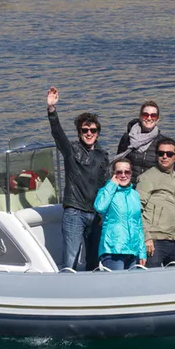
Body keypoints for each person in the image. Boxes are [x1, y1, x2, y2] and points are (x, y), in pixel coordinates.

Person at [47, 87, 109, 271]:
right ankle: (66, 285)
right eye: (85, 130)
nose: (89, 133)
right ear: (79, 132)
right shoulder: (71, 150)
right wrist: (52, 109)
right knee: (71, 259)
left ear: (98, 133)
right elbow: (58, 134)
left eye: (93, 130)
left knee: (94, 260)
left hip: (96, 214)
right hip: (75, 212)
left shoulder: (103, 155)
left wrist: (104, 213)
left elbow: (106, 185)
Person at [136, 137, 175, 267]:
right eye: (161, 153)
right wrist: (146, 237)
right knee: (151, 278)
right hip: (154, 241)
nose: (164, 156)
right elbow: (136, 210)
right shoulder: (147, 178)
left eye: (169, 154)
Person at [94, 159, 146, 270]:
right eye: (119, 172)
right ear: (113, 174)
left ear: (131, 174)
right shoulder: (106, 190)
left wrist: (142, 252)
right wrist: (112, 185)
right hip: (113, 250)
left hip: (132, 251)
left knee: (132, 282)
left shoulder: (135, 195)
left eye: (127, 172)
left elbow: (138, 224)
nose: (123, 175)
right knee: (118, 281)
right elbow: (99, 207)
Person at [115, 100, 168, 183]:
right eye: (145, 115)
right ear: (140, 117)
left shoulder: (162, 142)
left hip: (152, 187)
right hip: (129, 186)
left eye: (153, 115)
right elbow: (118, 163)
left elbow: (168, 169)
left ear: (157, 119)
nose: (149, 118)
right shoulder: (128, 138)